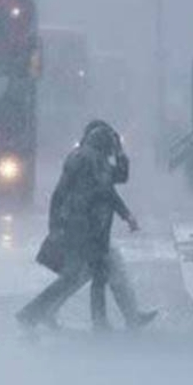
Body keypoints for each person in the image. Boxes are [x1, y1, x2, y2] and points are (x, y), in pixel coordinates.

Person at [44, 121, 156, 330]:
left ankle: (118, 319)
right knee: (94, 275)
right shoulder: (88, 162)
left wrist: (126, 215)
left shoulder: (91, 161)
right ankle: (113, 320)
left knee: (90, 275)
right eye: (110, 144)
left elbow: (111, 186)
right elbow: (107, 188)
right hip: (88, 231)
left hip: (92, 230)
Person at [17, 124, 125, 329]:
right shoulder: (93, 160)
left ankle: (99, 321)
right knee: (74, 276)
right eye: (111, 147)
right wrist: (120, 154)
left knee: (94, 273)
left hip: (79, 227)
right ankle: (30, 314)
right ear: (105, 145)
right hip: (86, 229)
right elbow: (114, 183)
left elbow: (60, 193)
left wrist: (54, 224)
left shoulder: (82, 158)